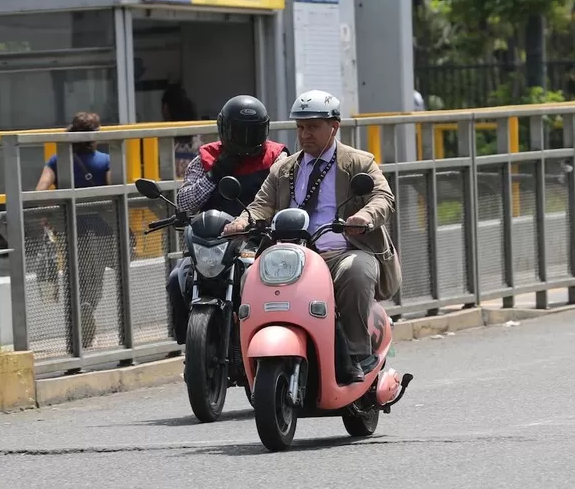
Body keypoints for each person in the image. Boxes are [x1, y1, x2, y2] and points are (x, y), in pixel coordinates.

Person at [222, 89, 402, 384]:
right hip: (293, 258)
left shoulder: (359, 162)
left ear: (334, 126)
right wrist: (241, 222)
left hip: (341, 252)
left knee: (357, 271)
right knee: (249, 277)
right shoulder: (284, 168)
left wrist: (364, 217)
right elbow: (260, 205)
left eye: (313, 127)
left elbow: (383, 197)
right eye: (301, 127)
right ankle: (249, 355)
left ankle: (357, 353)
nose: (305, 134)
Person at [165, 95, 289, 345]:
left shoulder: (277, 157)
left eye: (251, 132)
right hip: (212, 243)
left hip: (259, 243)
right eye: (238, 132)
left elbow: (286, 198)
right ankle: (190, 343)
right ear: (223, 130)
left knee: (263, 283)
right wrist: (215, 173)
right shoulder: (206, 158)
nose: (244, 140)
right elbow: (185, 202)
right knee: (176, 278)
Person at [35, 112, 113, 351]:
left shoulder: (58, 160)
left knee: (72, 277)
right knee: (95, 279)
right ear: (93, 135)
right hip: (98, 229)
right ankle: (88, 306)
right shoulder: (104, 160)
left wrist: (51, 215)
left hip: (69, 228)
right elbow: (114, 194)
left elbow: (40, 191)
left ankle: (75, 337)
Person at [160, 84, 201, 179]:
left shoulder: (163, 137)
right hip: (197, 184)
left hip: (171, 187)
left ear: (165, 108)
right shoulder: (201, 133)